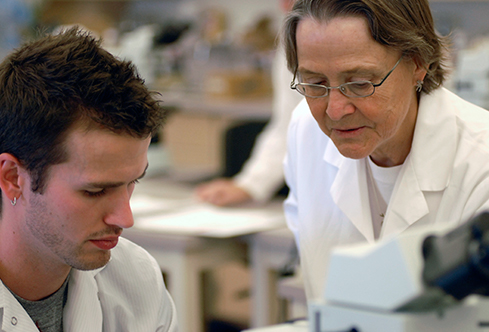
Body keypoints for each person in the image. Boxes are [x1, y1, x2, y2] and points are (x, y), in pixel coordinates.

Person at [282, 0, 489, 301]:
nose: (334, 110)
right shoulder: (305, 131)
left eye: (359, 83)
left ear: (418, 64)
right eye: (315, 83)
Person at [0, 27, 178, 331]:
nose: (125, 217)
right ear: (13, 177)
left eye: (133, 182)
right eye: (95, 191)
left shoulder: (137, 281)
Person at [195, 0, 303, 206]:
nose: (284, 4)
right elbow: (287, 127)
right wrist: (249, 185)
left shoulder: (369, 27)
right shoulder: (293, 39)